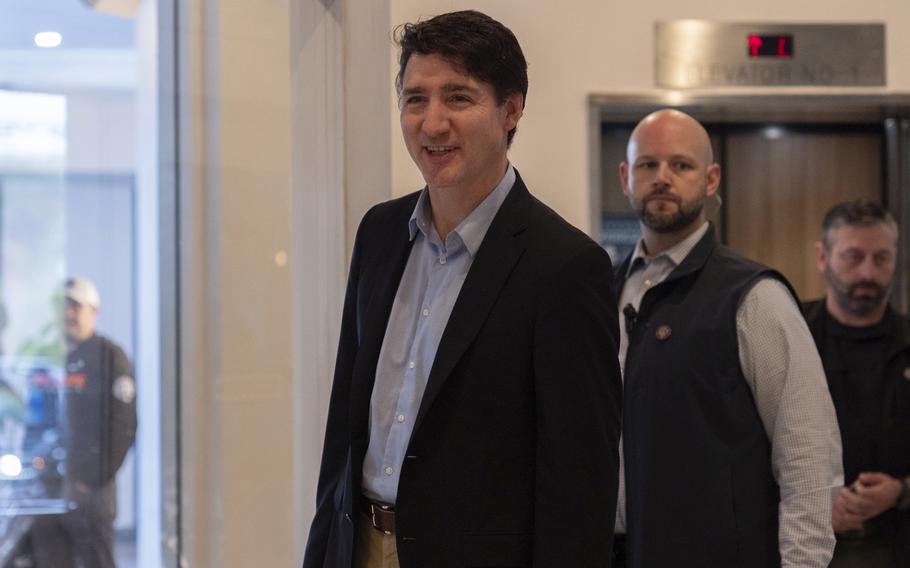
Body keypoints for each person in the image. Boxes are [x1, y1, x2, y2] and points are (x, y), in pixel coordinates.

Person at [302, 10, 622, 568]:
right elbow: (343, 433)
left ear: (511, 109)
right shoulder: (380, 233)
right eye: (415, 98)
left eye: (458, 97)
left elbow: (580, 488)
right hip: (358, 548)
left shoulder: (566, 267)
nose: (432, 124)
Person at [612, 109, 843, 567]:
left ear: (711, 179)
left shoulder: (755, 297)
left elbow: (808, 455)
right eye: (647, 165)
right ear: (625, 177)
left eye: (681, 165)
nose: (662, 178)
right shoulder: (603, 294)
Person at [804, 200, 910, 567]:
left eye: (882, 258)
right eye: (853, 257)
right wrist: (814, 505)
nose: (868, 272)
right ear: (823, 257)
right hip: (806, 547)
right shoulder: (789, 337)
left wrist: (901, 490)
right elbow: (748, 447)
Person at [30, 276, 137, 568]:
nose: (69, 314)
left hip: (94, 489)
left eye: (76, 307)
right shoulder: (49, 358)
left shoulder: (110, 357)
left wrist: (94, 479)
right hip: (54, 489)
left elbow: (124, 426)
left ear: (94, 311)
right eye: (63, 307)